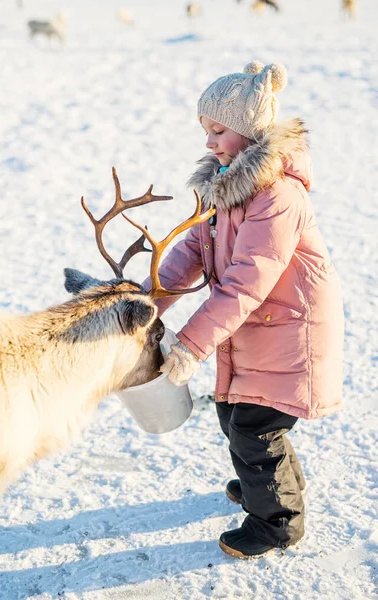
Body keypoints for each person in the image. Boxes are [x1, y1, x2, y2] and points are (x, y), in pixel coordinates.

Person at [143, 61, 344, 559]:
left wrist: (190, 343)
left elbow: (248, 280)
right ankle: (271, 484)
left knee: (256, 427)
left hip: (289, 326)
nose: (209, 142)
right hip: (255, 326)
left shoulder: (278, 194)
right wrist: (150, 303)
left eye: (218, 130)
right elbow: (193, 251)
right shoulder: (224, 184)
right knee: (237, 415)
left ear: (251, 130)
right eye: (205, 130)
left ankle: (276, 522)